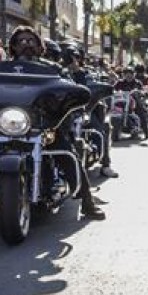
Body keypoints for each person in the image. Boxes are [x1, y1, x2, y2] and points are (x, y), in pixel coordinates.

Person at [4, 26, 105, 219]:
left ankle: (87, 202)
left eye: (31, 40)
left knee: (68, 152)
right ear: (14, 46)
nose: (26, 44)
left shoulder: (53, 69)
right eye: (21, 41)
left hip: (44, 124)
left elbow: (68, 87)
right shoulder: (4, 68)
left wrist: (74, 94)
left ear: (39, 45)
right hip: (9, 123)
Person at [61, 44, 118, 178]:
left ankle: (106, 165)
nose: (71, 61)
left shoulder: (86, 74)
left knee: (99, 131)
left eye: (74, 57)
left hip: (82, 112)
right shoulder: (58, 73)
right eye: (68, 58)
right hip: (61, 113)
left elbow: (94, 87)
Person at [114, 65, 148, 139]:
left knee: (141, 111)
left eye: (130, 73)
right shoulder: (119, 83)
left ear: (133, 74)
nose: (128, 75)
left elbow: (143, 90)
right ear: (124, 75)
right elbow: (113, 89)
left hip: (134, 103)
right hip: (122, 103)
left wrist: (141, 92)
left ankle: (146, 133)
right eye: (126, 73)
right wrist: (115, 92)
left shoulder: (137, 83)